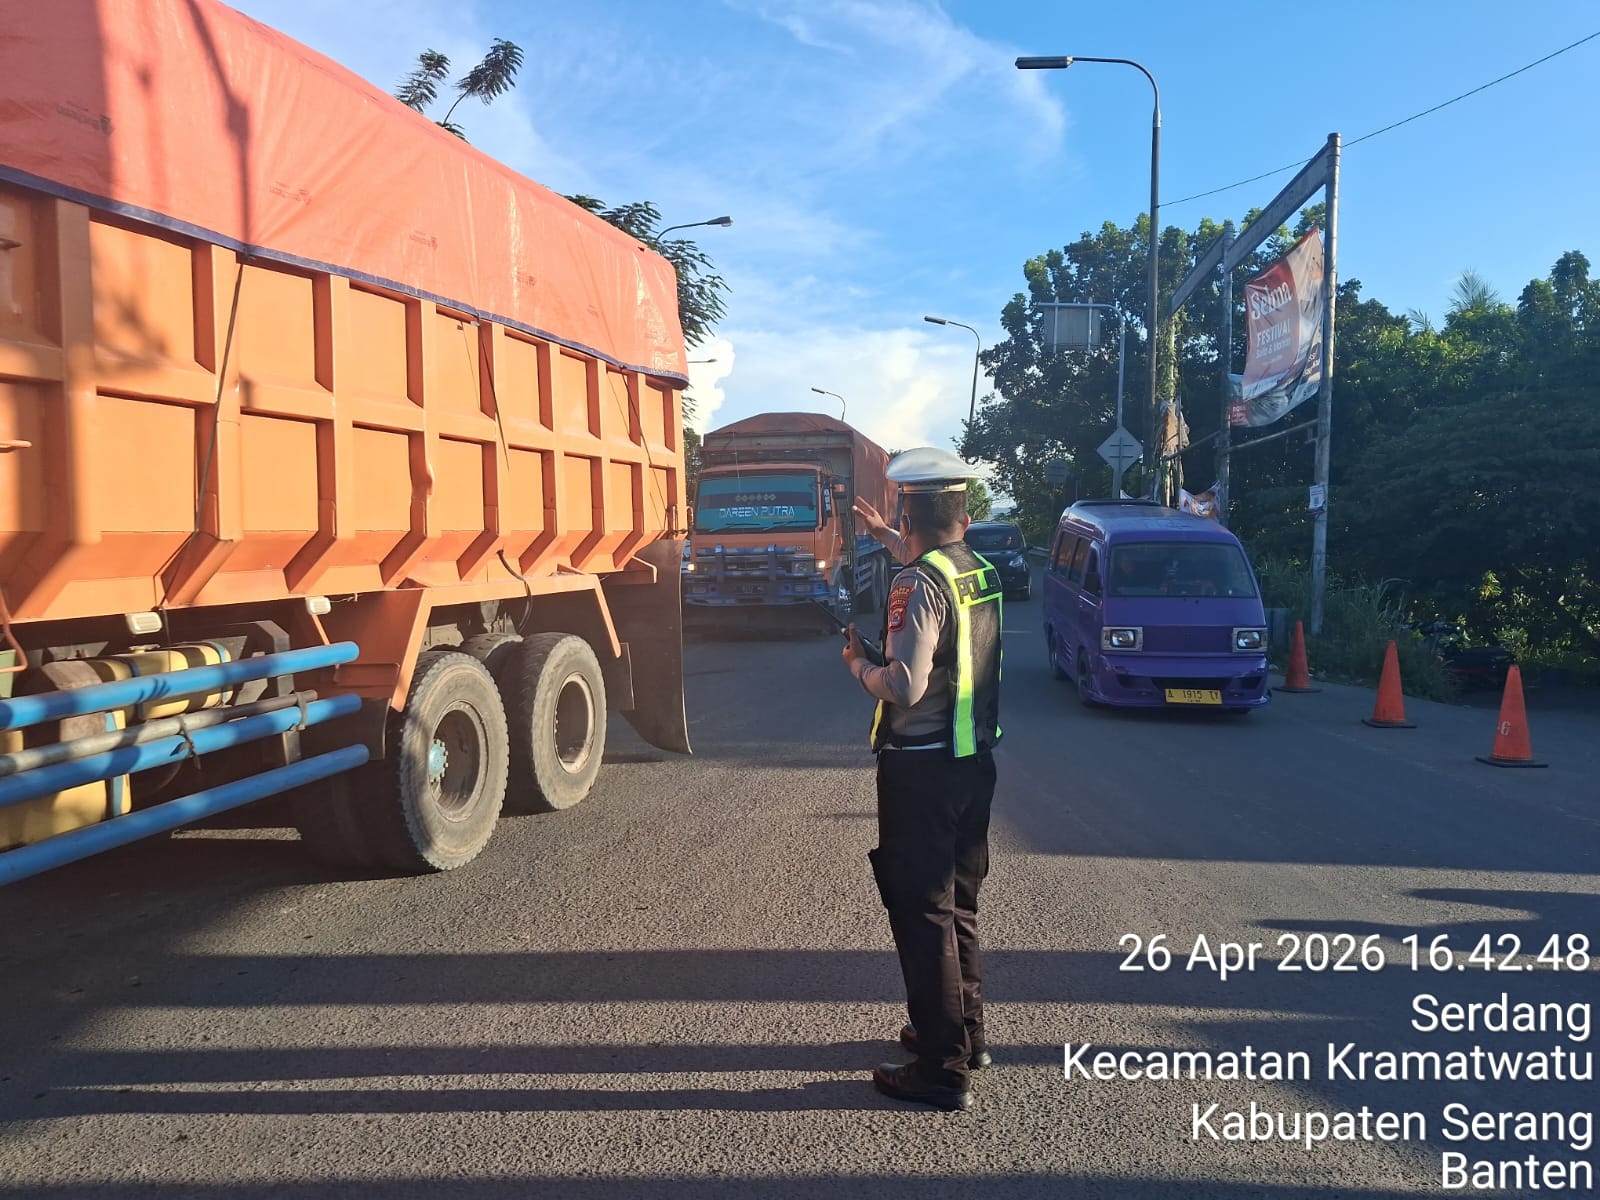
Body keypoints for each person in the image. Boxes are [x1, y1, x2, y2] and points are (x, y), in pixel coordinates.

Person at [841, 447, 1003, 1112]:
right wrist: (886, 534)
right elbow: (932, 561)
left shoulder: (916, 585)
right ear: (964, 513)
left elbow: (903, 685)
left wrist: (858, 667)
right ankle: (965, 1035)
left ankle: (940, 1068)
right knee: (957, 904)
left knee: (922, 912)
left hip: (921, 768)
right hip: (973, 764)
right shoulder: (978, 570)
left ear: (911, 515)